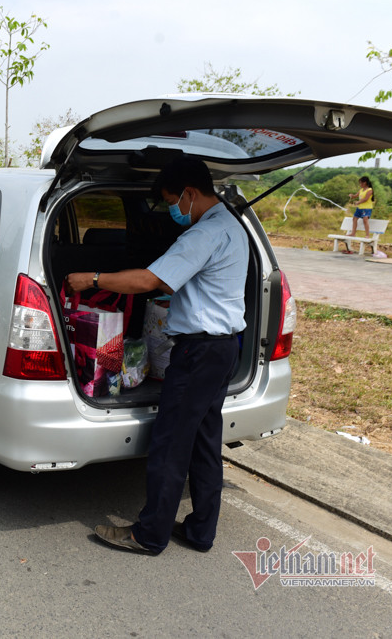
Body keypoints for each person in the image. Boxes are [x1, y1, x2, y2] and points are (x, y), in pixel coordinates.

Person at [65, 156, 248, 556]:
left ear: (190, 193)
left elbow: (148, 279)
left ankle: (148, 535)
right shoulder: (233, 226)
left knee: (169, 443)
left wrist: (91, 278)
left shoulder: (202, 235)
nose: (171, 211)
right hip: (224, 348)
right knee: (203, 441)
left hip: (198, 352)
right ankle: (200, 531)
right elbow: (204, 284)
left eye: (171, 201)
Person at [347, 176, 375, 240]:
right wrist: (352, 196)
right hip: (359, 208)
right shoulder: (361, 190)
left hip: (366, 208)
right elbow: (356, 196)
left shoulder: (370, 190)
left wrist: (358, 202)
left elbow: (365, 199)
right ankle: (353, 233)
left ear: (365, 183)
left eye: (361, 183)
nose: (360, 185)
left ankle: (367, 235)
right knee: (354, 219)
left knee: (365, 219)